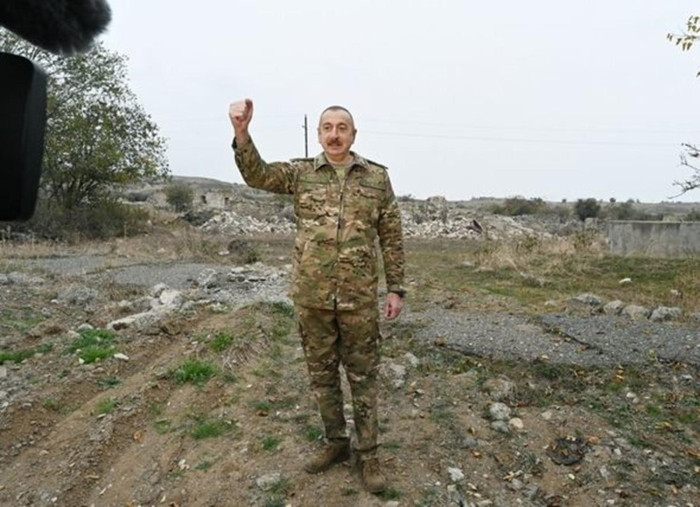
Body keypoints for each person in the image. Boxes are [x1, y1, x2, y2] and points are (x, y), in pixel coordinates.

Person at [228, 98, 406, 493]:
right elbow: (257, 175)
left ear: (353, 135)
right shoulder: (301, 173)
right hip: (312, 297)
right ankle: (335, 443)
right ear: (320, 134)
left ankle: (369, 454)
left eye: (342, 128)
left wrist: (395, 287)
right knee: (322, 377)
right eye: (327, 127)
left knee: (363, 378)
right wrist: (242, 133)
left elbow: (391, 235)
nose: (334, 134)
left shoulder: (376, 179)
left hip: (358, 299)